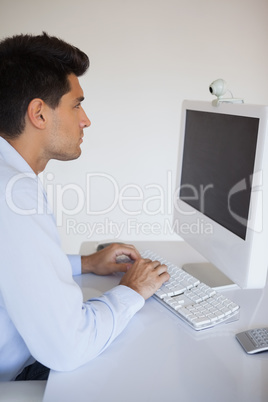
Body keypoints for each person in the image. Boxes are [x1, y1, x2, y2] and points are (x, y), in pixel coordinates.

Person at [0, 33, 169, 381]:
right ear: (39, 114)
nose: (85, 119)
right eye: (76, 105)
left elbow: (16, 266)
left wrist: (86, 263)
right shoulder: (14, 196)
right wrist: (132, 291)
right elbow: (67, 347)